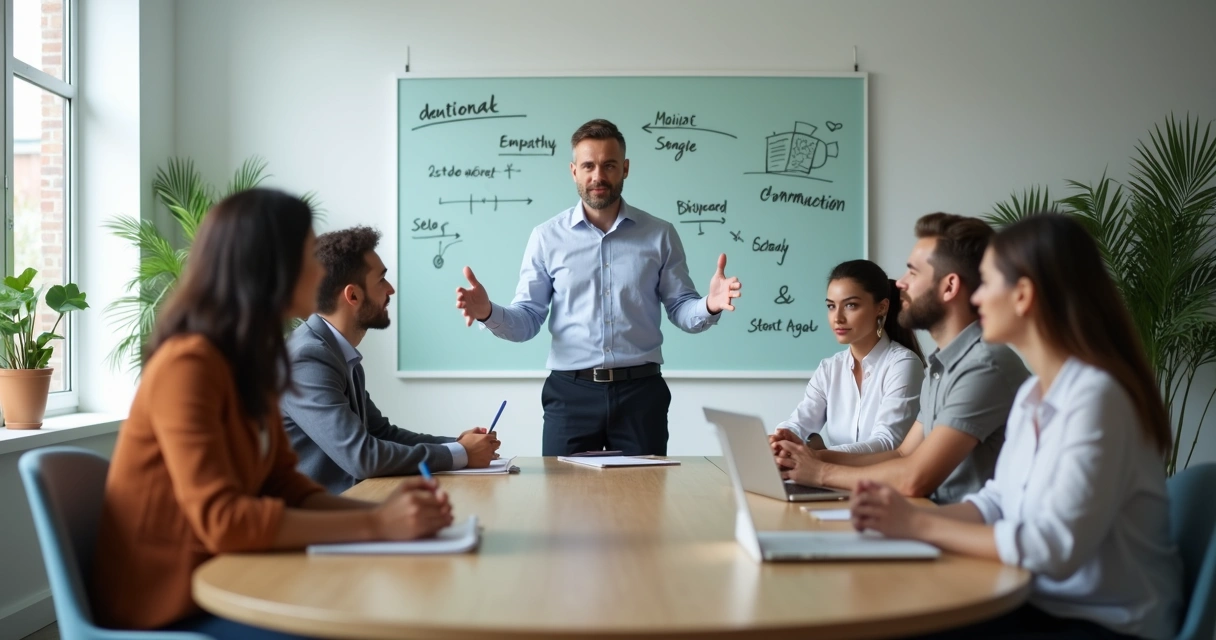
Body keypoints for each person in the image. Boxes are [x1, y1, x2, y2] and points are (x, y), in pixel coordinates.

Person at [92, 189, 454, 637]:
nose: (318, 271)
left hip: (229, 574)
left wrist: (391, 515)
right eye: (307, 254)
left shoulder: (253, 361)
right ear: (270, 267)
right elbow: (223, 521)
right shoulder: (187, 364)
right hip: (170, 604)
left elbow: (287, 486)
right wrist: (375, 523)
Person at [850, 214, 1182, 639]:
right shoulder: (1033, 396)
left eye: (987, 283)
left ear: (1023, 295)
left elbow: (1053, 548)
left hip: (1104, 623)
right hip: (1039, 601)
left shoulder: (1098, 399)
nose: (979, 297)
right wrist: (892, 524)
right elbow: (996, 502)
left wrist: (917, 526)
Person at [454, 118, 742, 456]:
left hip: (641, 394)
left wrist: (709, 304)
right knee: (564, 504)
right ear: (573, 170)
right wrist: (489, 313)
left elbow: (681, 309)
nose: (598, 176)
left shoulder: (660, 235)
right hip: (569, 395)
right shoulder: (546, 237)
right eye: (588, 165)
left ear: (625, 169)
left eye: (609, 165)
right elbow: (528, 319)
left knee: (643, 505)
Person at [773, 213, 1028, 502]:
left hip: (961, 529)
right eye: (831, 306)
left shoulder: (985, 366)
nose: (900, 284)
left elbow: (913, 477)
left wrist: (818, 470)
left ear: (949, 286)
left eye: (913, 272)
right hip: (934, 518)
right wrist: (806, 459)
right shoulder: (941, 366)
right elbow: (901, 453)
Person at [282, 226, 500, 493]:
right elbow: (362, 456)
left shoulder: (337, 352)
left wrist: (458, 443)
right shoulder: (307, 359)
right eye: (381, 280)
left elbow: (381, 433)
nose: (391, 290)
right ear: (353, 295)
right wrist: (461, 454)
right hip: (314, 526)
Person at [771, 259, 925, 453]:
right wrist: (784, 436)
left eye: (850, 305)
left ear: (882, 307)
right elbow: (801, 422)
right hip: (831, 478)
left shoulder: (903, 364)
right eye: (831, 306)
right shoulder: (829, 368)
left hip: (884, 481)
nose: (837, 318)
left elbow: (887, 442)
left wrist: (820, 455)